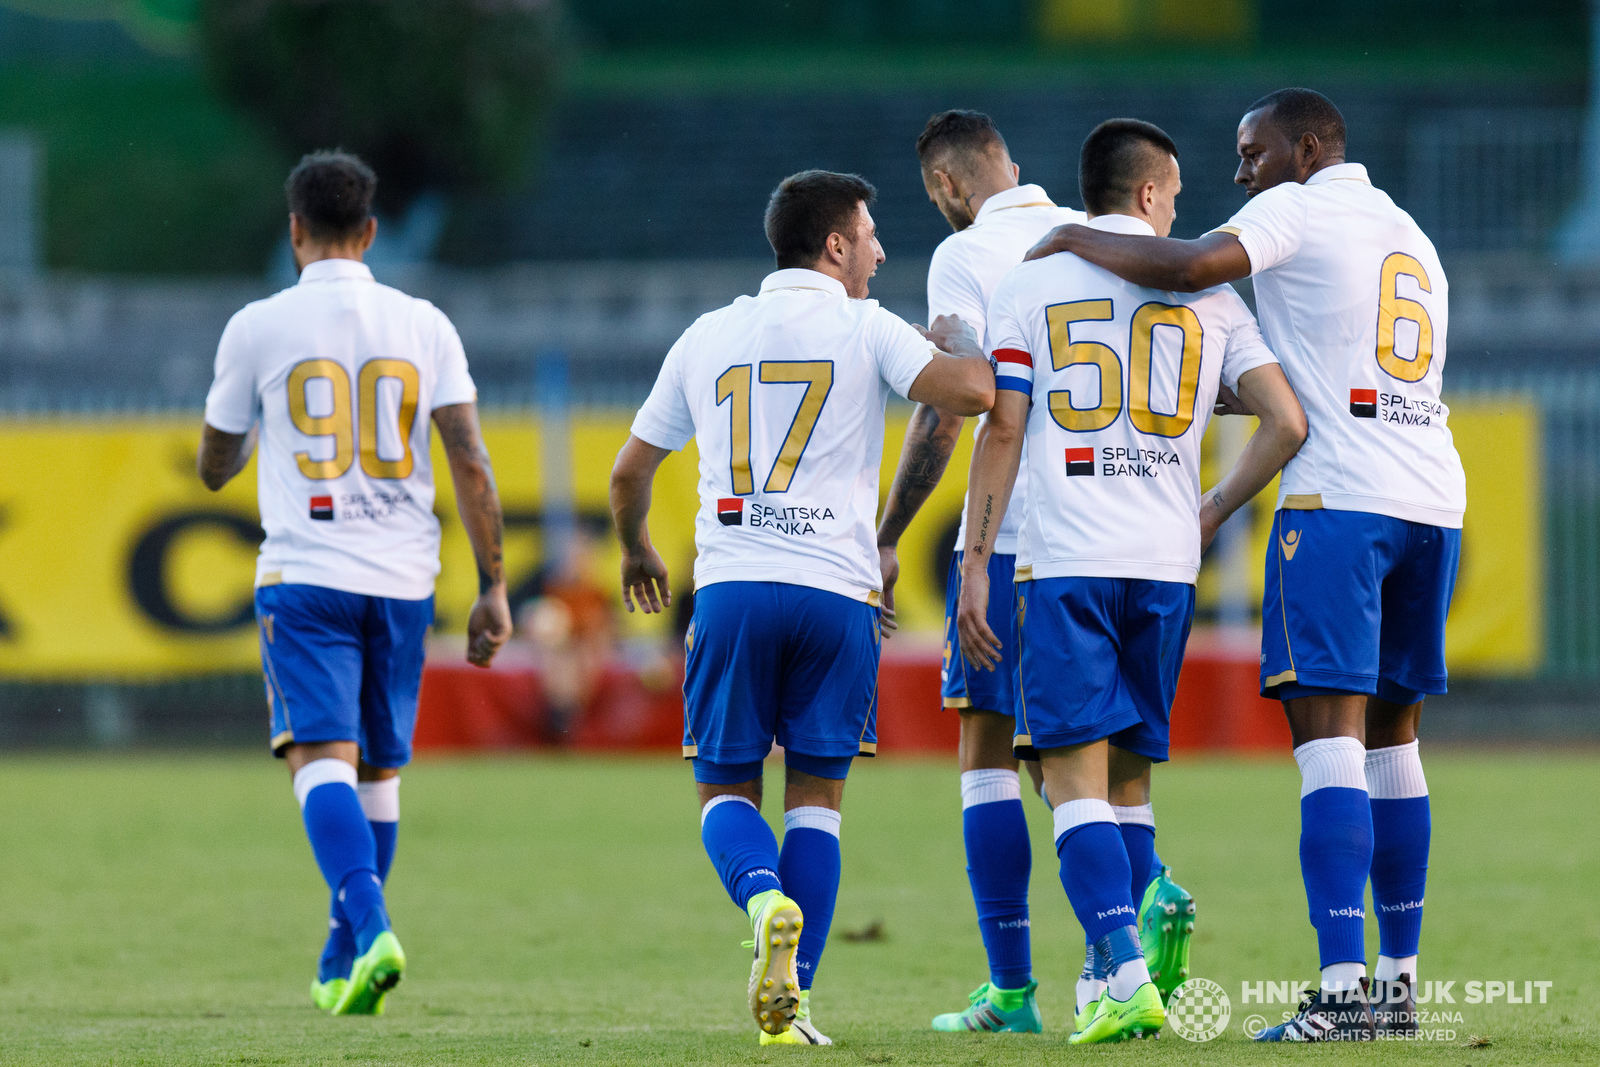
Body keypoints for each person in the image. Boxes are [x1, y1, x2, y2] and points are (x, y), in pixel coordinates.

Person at [1025, 88, 1464, 1041]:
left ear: (1306, 148)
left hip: (1340, 502)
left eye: (1252, 152)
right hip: (1433, 496)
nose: (1239, 173)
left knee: (1332, 746)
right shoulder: (1410, 234)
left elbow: (1184, 265)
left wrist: (1072, 238)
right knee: (1397, 746)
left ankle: (1343, 991)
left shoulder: (1298, 206)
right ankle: (1397, 985)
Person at [609, 169, 994, 1045]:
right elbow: (969, 394)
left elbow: (630, 470)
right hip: (836, 593)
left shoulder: (709, 333)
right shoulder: (867, 327)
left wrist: (635, 545)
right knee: (816, 803)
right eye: (870, 235)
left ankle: (762, 898)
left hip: (736, 586)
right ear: (834, 246)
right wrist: (958, 339)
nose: (881, 251)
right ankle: (795, 1009)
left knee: (722, 790)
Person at [958, 118, 1306, 1044]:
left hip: (1066, 558)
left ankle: (1119, 970)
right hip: (1164, 563)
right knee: (1131, 785)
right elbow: (1285, 420)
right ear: (1151, 194)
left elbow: (1001, 427)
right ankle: (1127, 963)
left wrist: (976, 562)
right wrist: (1212, 507)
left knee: (1069, 778)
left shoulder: (1030, 280)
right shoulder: (1216, 300)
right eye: (1179, 193)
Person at [878, 108, 1194, 1035]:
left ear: (946, 186)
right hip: (1137, 531)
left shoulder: (966, 254)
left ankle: (1016, 989)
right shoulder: (1099, 238)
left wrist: (893, 529)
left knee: (987, 758)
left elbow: (952, 407)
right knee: (1104, 771)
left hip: (1021, 537)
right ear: (1015, 165)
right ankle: (1119, 951)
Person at [197, 151, 512, 1016]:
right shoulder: (425, 323)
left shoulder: (257, 325)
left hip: (307, 574)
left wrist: (239, 438)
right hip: (404, 577)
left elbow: (216, 464)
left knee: (317, 760)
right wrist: (493, 585)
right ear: (371, 233)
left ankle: (369, 926)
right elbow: (471, 460)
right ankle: (342, 961)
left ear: (294, 232)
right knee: (378, 773)